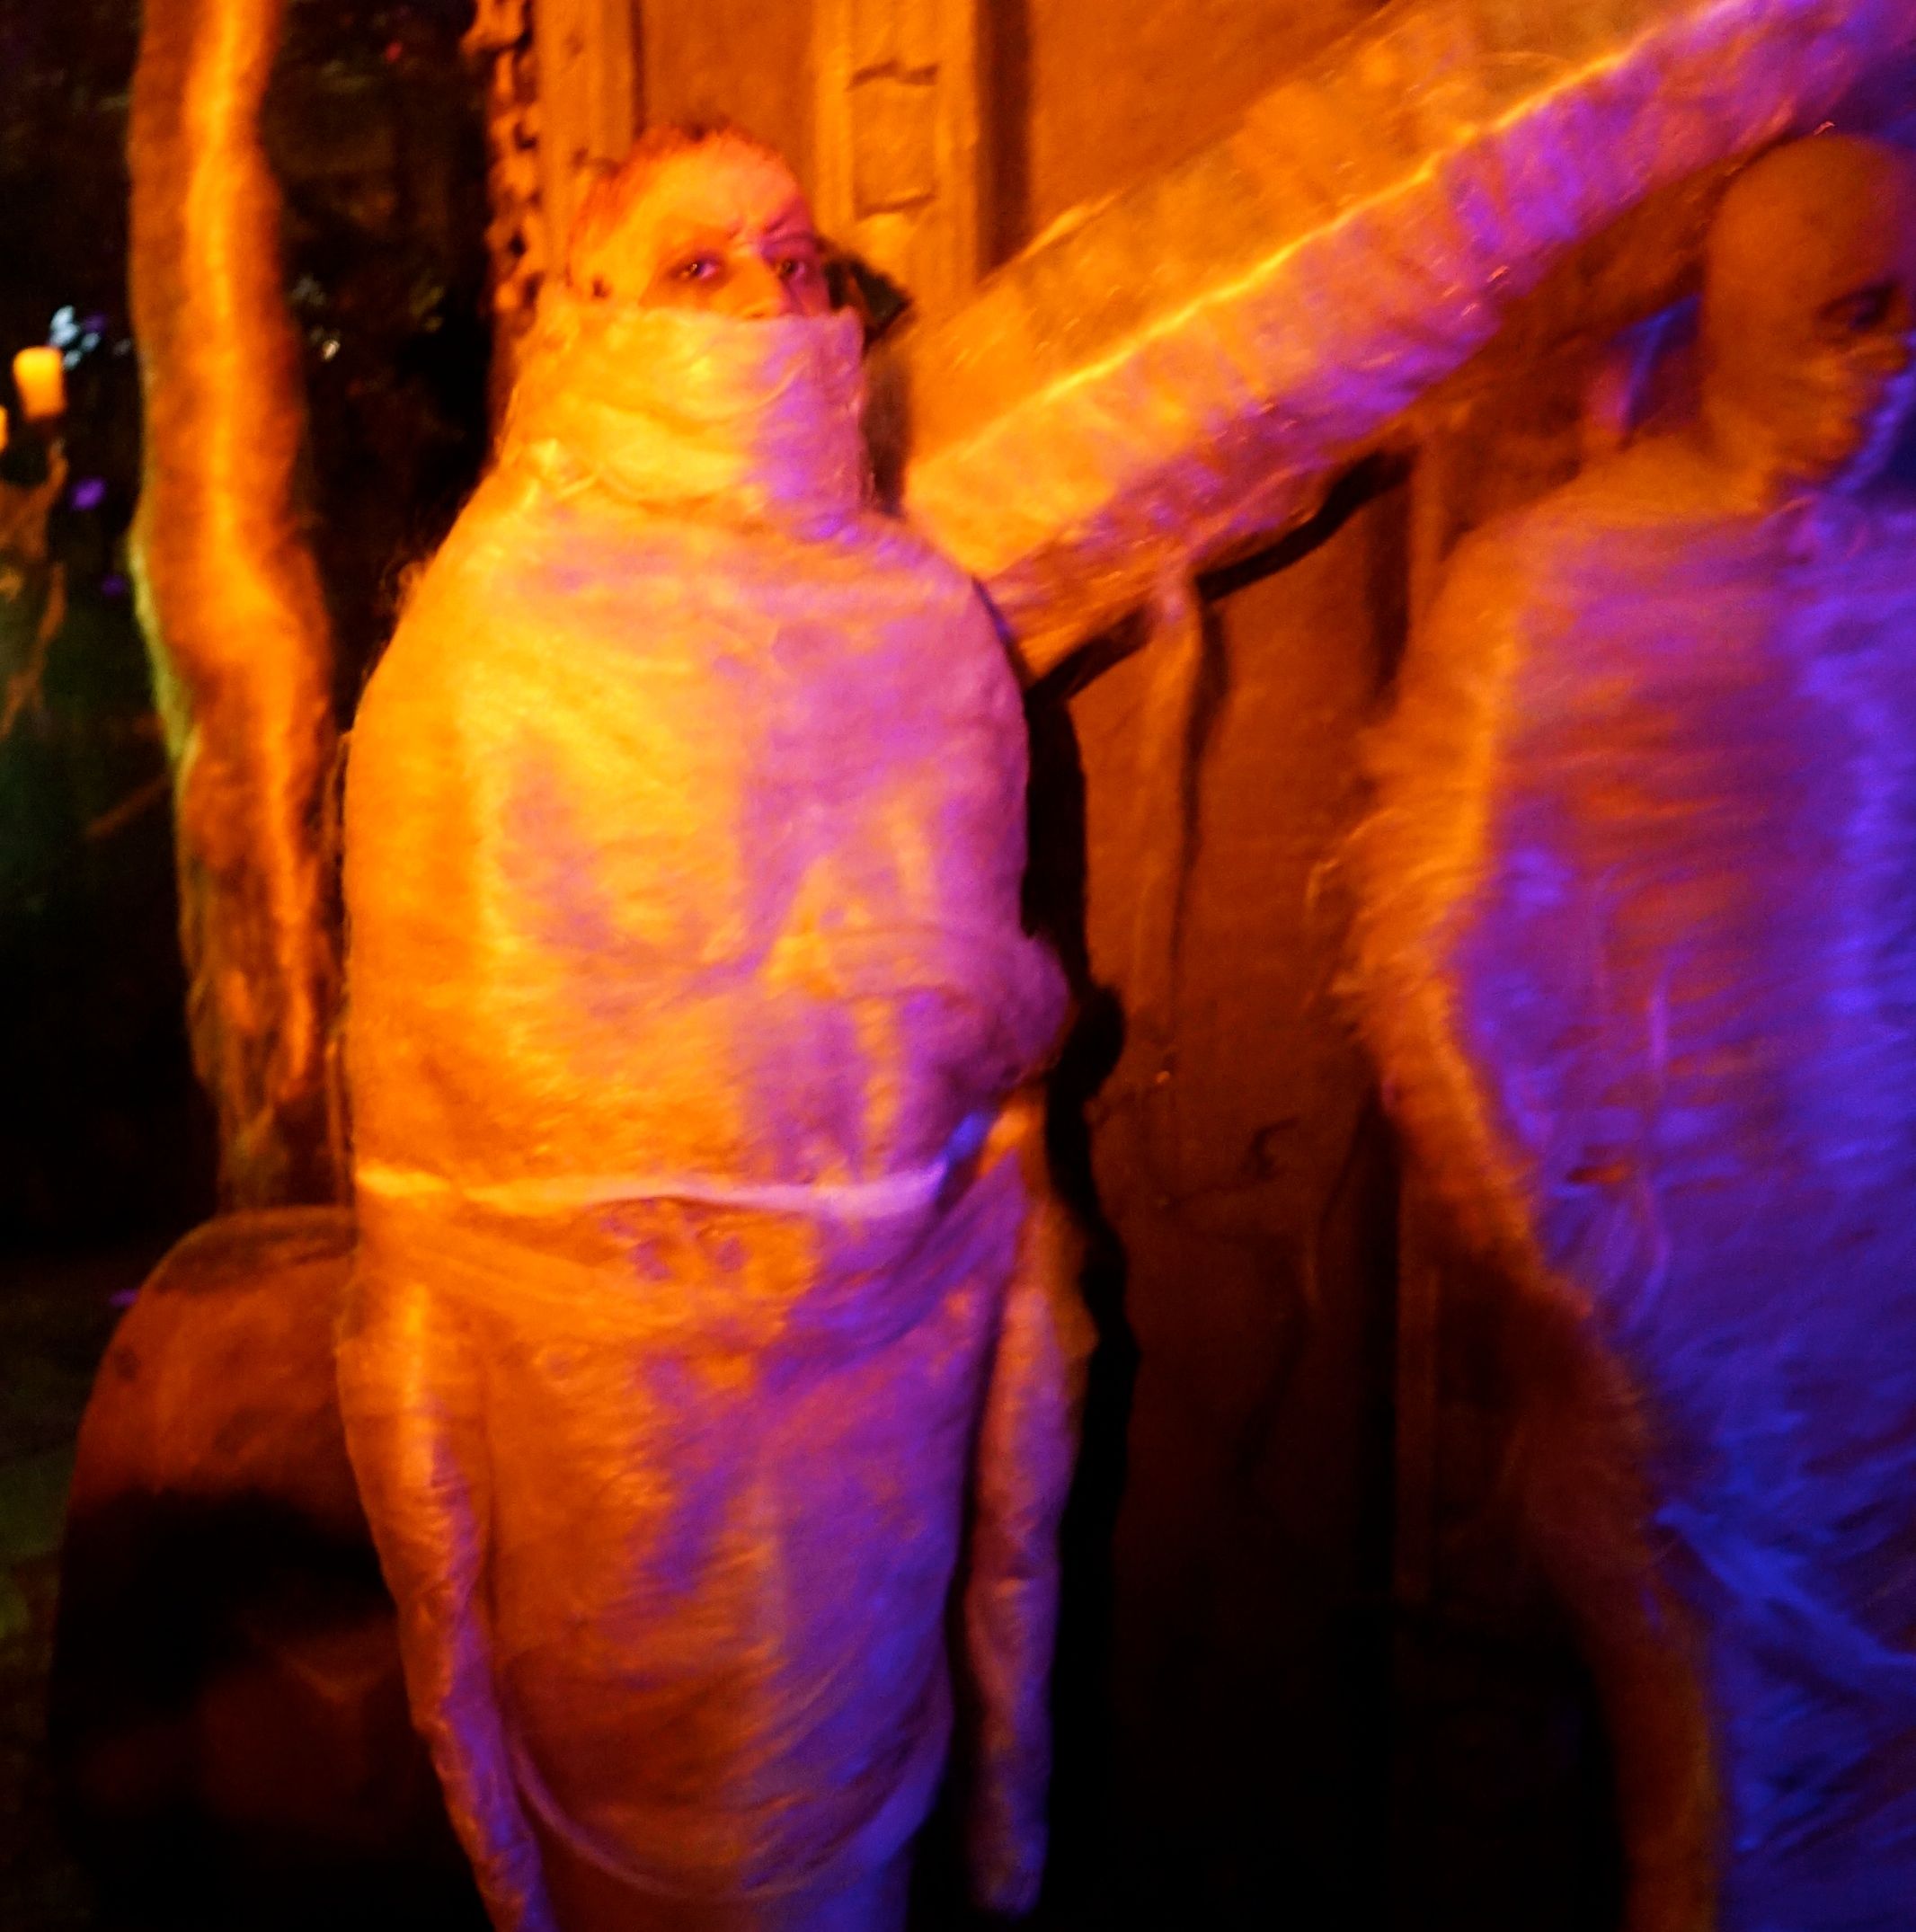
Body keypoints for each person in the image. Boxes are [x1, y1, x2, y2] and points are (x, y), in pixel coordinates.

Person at [338, 123, 1089, 1932]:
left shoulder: (920, 623)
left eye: (799, 260)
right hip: (610, 1435)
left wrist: (991, 1079)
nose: (769, 297)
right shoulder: (493, 640)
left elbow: (986, 1047)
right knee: (648, 1831)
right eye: (701, 266)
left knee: (852, 1821)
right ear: (589, 307)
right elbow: (444, 1125)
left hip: (878, 1414)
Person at [1350, 134, 1916, 1932]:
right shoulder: (1559, 585)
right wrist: (1580, 1283)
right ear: (1742, 316)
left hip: (1891, 1319)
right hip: (1686, 1350)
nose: (1894, 360)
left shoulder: (1899, 582)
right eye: (1853, 313)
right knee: (1719, 1821)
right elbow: (1426, 959)